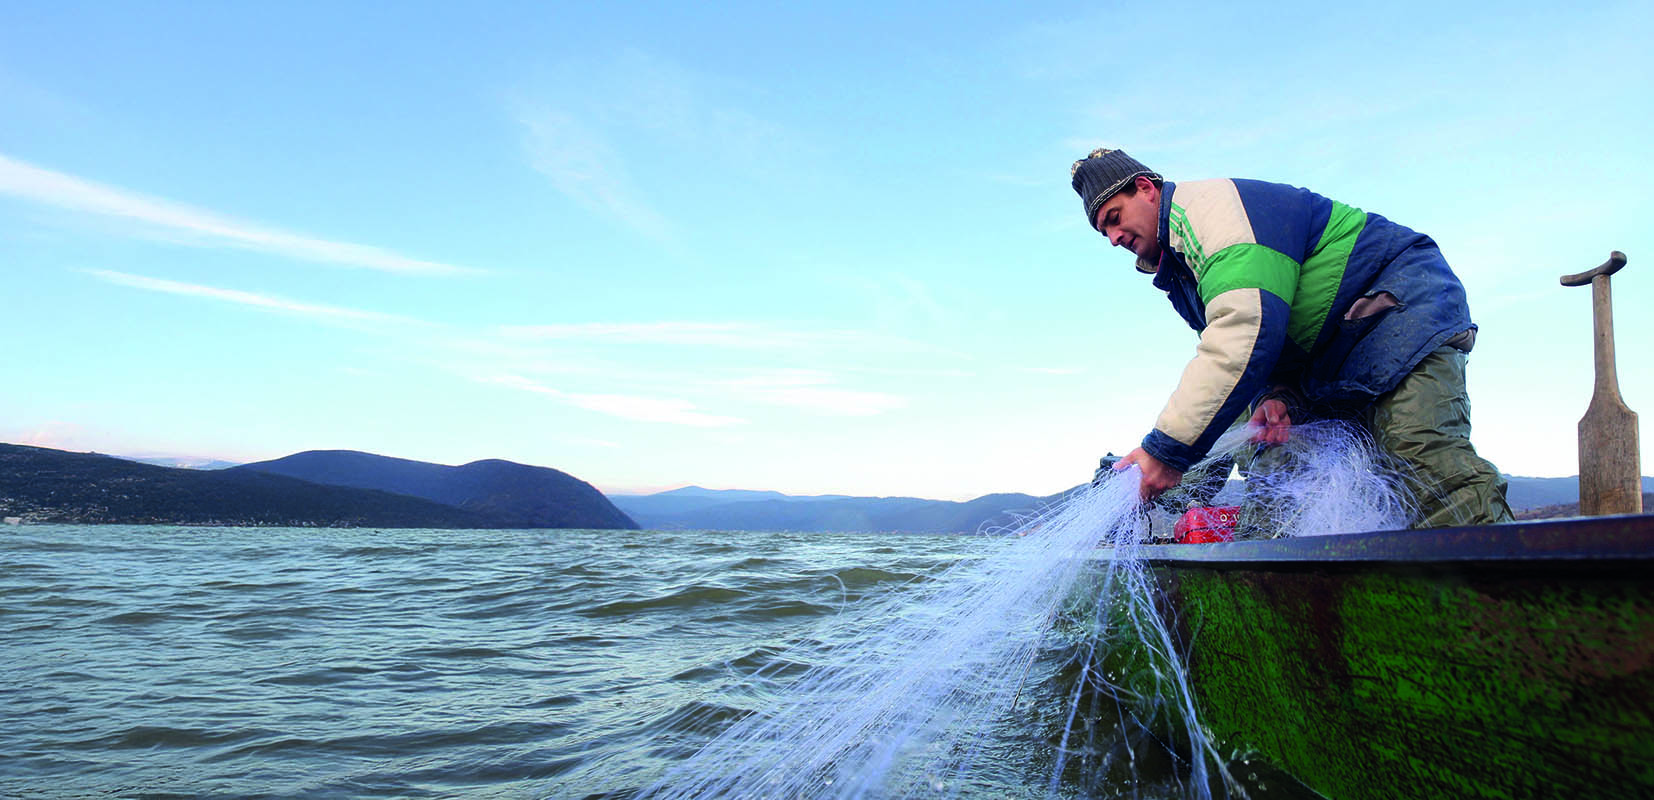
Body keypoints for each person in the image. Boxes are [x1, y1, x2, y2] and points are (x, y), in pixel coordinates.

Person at [1070, 148, 1512, 527]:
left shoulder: (1213, 211)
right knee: (1276, 467)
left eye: (1114, 218)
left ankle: (1510, 606)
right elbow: (1261, 347)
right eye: (1103, 231)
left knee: (1419, 457)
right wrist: (1274, 393)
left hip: (1395, 306)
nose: (1112, 238)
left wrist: (1164, 451)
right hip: (1326, 357)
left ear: (1146, 188)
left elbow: (1244, 330)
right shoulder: (1180, 272)